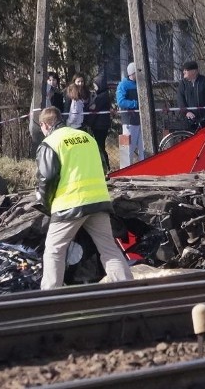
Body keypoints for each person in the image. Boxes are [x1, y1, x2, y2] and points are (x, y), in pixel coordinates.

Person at [35, 106, 134, 289]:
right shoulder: (87, 137)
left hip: (69, 205)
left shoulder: (51, 142)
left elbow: (47, 178)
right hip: (98, 202)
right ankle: (127, 290)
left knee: (54, 251)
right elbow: (104, 166)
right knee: (109, 249)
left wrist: (45, 203)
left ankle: (49, 297)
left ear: (45, 125)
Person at [116, 62, 144, 163]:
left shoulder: (141, 84)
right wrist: (136, 104)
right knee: (128, 148)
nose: (141, 74)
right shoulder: (123, 85)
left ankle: (145, 169)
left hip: (142, 120)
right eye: (138, 72)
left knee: (144, 147)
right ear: (132, 73)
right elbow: (120, 101)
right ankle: (126, 168)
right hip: (129, 121)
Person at [84, 74, 112, 172]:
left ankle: (106, 167)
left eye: (95, 85)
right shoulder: (102, 95)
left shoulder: (101, 97)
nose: (94, 87)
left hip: (99, 126)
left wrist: (89, 122)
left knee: (100, 146)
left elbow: (94, 111)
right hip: (101, 125)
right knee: (100, 146)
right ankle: (104, 167)